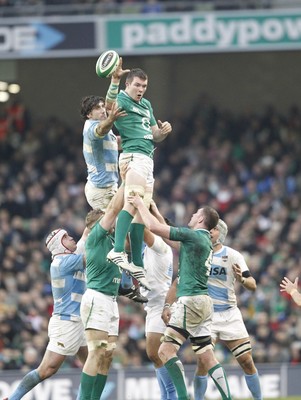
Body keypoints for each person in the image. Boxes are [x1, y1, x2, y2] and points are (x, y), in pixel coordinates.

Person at [128, 194, 232, 400]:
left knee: (165, 352)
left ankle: (183, 398)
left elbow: (156, 229)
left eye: (195, 214)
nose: (192, 216)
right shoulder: (201, 243)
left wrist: (140, 205)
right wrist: (156, 211)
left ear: (201, 220)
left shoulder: (193, 236)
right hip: (204, 303)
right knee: (207, 357)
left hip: (190, 301)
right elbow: (169, 239)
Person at [105, 62, 172, 290]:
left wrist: (162, 132)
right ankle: (116, 251)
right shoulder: (122, 99)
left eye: (144, 85)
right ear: (128, 84)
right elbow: (108, 107)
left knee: (141, 215)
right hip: (132, 156)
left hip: (147, 159)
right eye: (137, 85)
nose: (141, 89)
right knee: (132, 202)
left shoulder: (146, 105)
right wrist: (113, 81)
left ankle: (137, 263)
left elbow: (153, 134)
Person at [3, 227, 90, 400]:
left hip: (79, 321)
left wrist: (104, 210)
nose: (71, 237)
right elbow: (93, 256)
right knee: (46, 370)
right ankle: (12, 398)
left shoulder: (69, 258)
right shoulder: (63, 262)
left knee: (93, 364)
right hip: (67, 323)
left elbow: (88, 232)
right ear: (59, 245)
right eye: (65, 237)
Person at [80, 91, 147, 304]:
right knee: (117, 234)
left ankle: (122, 282)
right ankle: (124, 285)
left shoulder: (106, 130)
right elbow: (102, 129)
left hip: (108, 187)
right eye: (98, 108)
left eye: (103, 106)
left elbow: (113, 141)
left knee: (114, 232)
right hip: (101, 190)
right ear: (89, 114)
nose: (102, 109)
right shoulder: (92, 128)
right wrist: (110, 118)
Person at [193, 219, 262, 400]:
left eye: (213, 229)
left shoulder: (233, 255)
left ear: (220, 233)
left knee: (246, 361)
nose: (209, 232)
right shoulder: (198, 253)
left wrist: (242, 280)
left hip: (229, 314)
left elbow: (252, 284)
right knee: (202, 361)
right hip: (206, 315)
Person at [79, 182, 125, 400]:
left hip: (111, 300)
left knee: (107, 355)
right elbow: (115, 210)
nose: (112, 222)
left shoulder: (113, 239)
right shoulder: (96, 236)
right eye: (106, 220)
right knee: (96, 351)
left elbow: (124, 216)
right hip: (97, 297)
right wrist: (127, 182)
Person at [141, 201, 177, 400]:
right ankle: (168, 396)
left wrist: (136, 206)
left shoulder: (160, 244)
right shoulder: (151, 249)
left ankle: (174, 394)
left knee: (156, 354)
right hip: (152, 306)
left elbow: (142, 229)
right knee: (156, 357)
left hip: (160, 306)